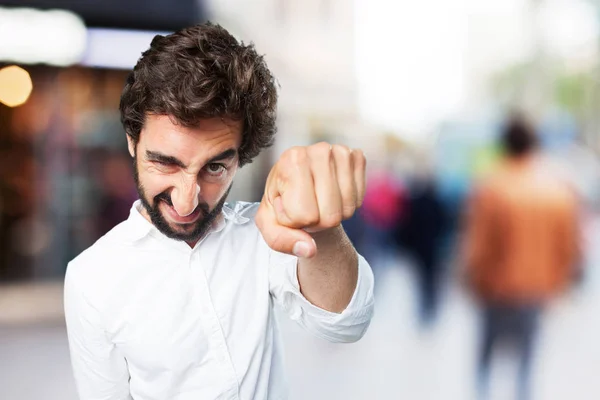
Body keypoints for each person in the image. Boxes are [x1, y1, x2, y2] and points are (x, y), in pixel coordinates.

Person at [64, 23, 374, 400]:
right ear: (133, 141)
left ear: (240, 158)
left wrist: (321, 227)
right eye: (166, 163)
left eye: (214, 168)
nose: (186, 202)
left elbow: (347, 323)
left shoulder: (262, 230)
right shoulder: (90, 277)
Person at [463, 114, 580, 400]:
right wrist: (559, 284)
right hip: (538, 289)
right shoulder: (557, 190)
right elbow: (568, 248)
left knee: (487, 355)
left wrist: (470, 279)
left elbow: (478, 244)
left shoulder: (491, 187)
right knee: (527, 359)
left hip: (496, 288)